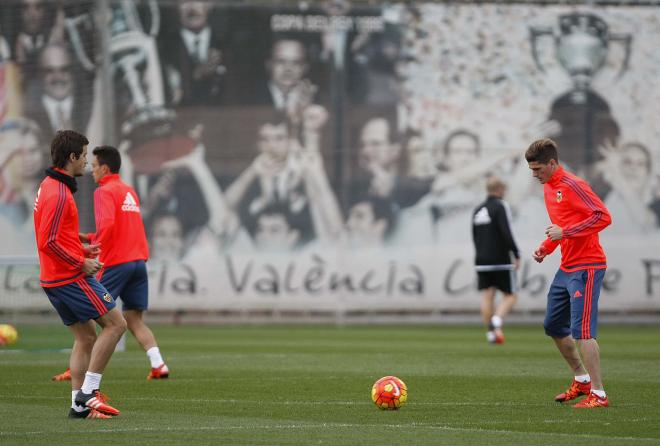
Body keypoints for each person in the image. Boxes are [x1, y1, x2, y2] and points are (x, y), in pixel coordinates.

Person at [52, 146, 170, 382]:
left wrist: (92, 250)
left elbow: (107, 224)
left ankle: (79, 368)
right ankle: (158, 364)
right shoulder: (129, 191)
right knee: (134, 319)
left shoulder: (103, 191)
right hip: (138, 262)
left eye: (94, 166)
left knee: (91, 316)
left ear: (105, 169)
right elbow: (123, 227)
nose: (91, 171)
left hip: (117, 262)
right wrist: (90, 237)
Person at [34, 130, 126, 419]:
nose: (87, 161)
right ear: (72, 157)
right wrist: (80, 262)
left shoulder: (49, 186)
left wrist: (80, 241)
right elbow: (47, 241)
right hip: (69, 277)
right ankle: (89, 391)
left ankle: (77, 405)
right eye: (84, 156)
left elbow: (52, 232)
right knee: (116, 324)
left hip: (53, 279)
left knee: (85, 337)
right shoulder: (59, 193)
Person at [525, 138, 612, 408]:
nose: (535, 174)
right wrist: (545, 248)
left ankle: (598, 394)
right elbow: (560, 226)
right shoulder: (549, 188)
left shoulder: (573, 185)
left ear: (552, 163)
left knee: (582, 332)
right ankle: (582, 379)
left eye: (538, 169)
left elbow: (603, 216)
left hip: (587, 266)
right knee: (552, 325)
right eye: (532, 170)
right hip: (567, 267)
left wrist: (566, 232)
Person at [471, 176, 520, 344]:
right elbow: (507, 231)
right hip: (500, 259)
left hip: (481, 260)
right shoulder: (500, 206)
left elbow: (474, 236)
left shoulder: (478, 210)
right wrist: (516, 253)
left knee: (487, 296)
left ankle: (492, 334)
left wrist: (480, 255)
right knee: (511, 295)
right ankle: (497, 321)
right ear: (499, 189)